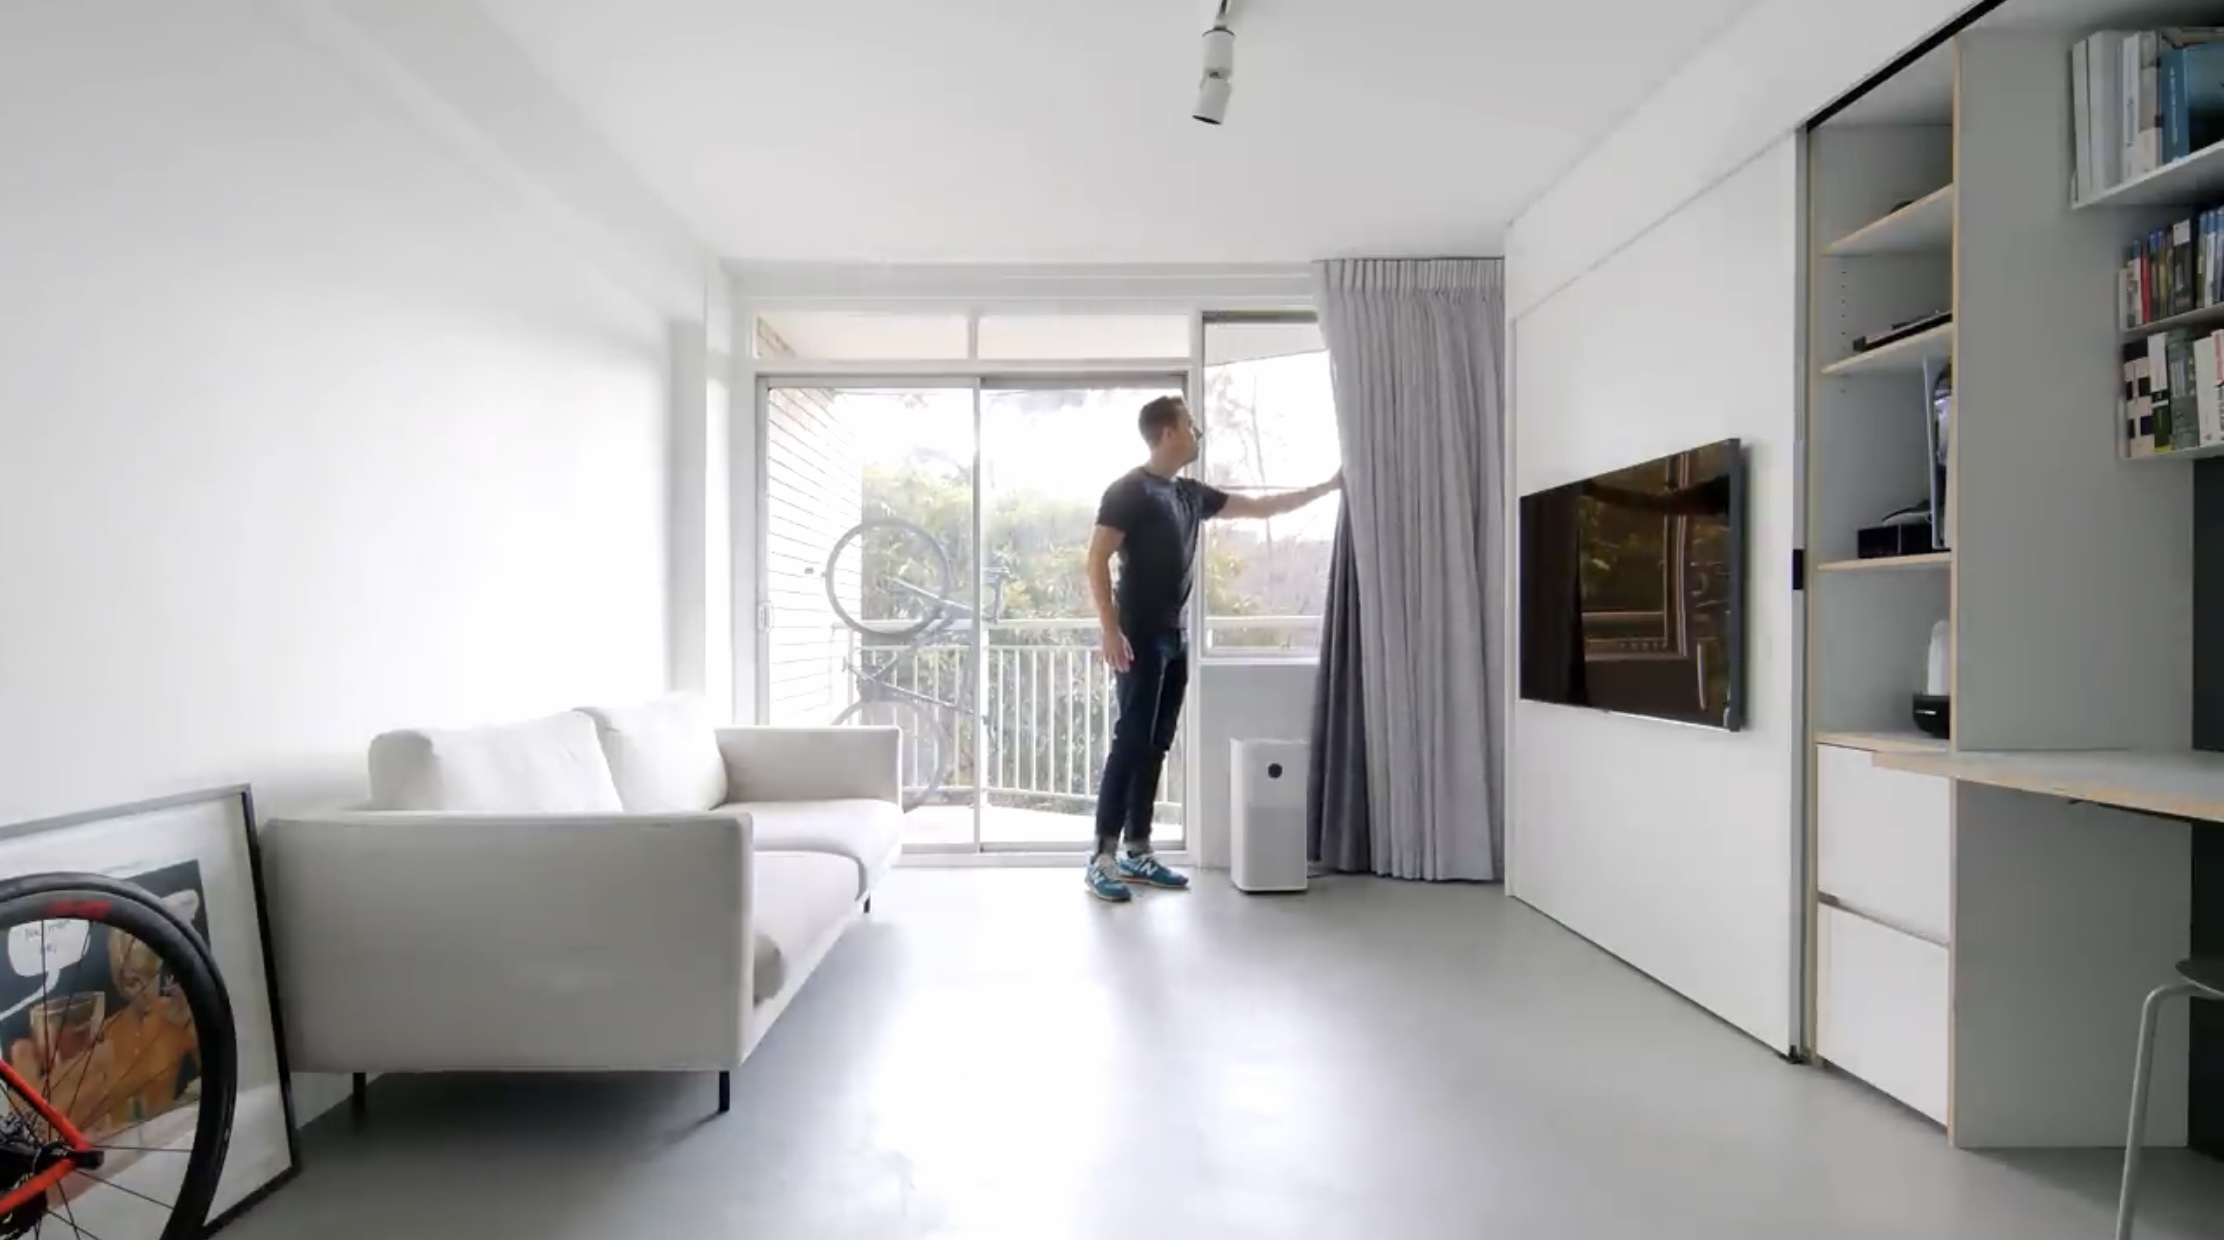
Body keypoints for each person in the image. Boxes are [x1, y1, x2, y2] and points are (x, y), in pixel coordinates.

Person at [1082, 394, 1341, 902]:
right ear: (1168, 433)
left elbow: (1262, 508)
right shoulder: (1128, 491)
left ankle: (1137, 851)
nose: (1197, 433)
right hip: (1138, 636)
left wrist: (1327, 487)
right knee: (1130, 741)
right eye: (1191, 425)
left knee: (1156, 743)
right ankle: (1102, 857)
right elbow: (1095, 560)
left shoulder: (1189, 494)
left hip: (1175, 637)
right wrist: (1110, 630)